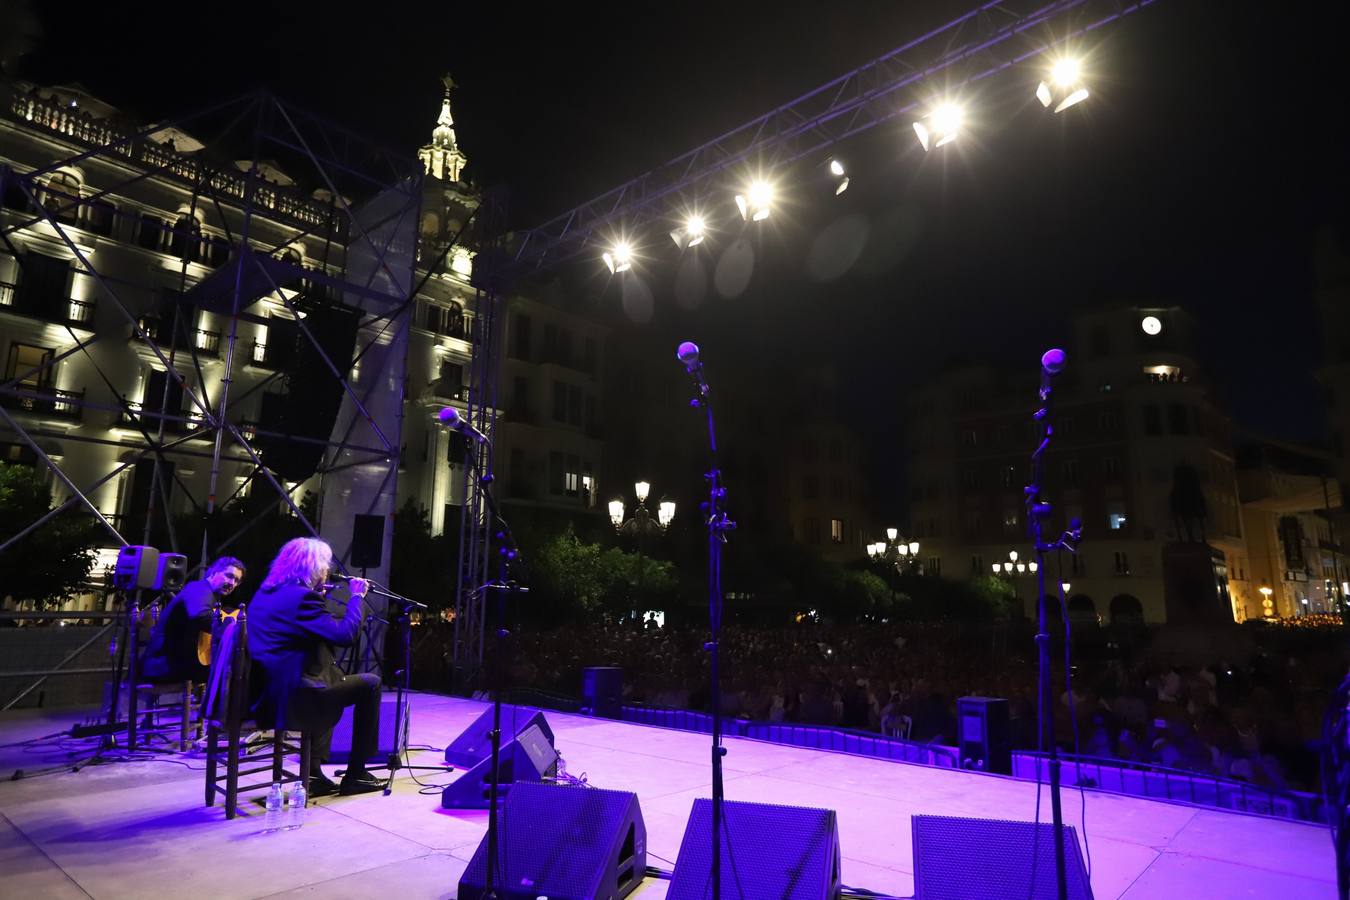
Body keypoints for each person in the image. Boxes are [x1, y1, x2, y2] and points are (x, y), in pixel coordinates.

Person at [246, 537, 382, 797]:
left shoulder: (266, 593)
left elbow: (299, 630)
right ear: (312, 567)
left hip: (267, 692)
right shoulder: (303, 599)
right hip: (295, 695)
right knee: (370, 684)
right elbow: (345, 635)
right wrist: (357, 598)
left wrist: (320, 597)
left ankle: (313, 772)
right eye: (324, 565)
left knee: (329, 674)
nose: (327, 571)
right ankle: (356, 774)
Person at [141, 556, 245, 683]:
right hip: (163, 664)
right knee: (232, 670)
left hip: (172, 661)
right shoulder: (199, 589)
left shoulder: (209, 594)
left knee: (228, 665)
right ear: (213, 572)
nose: (232, 583)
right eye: (229, 576)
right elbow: (201, 617)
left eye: (236, 581)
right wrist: (233, 626)